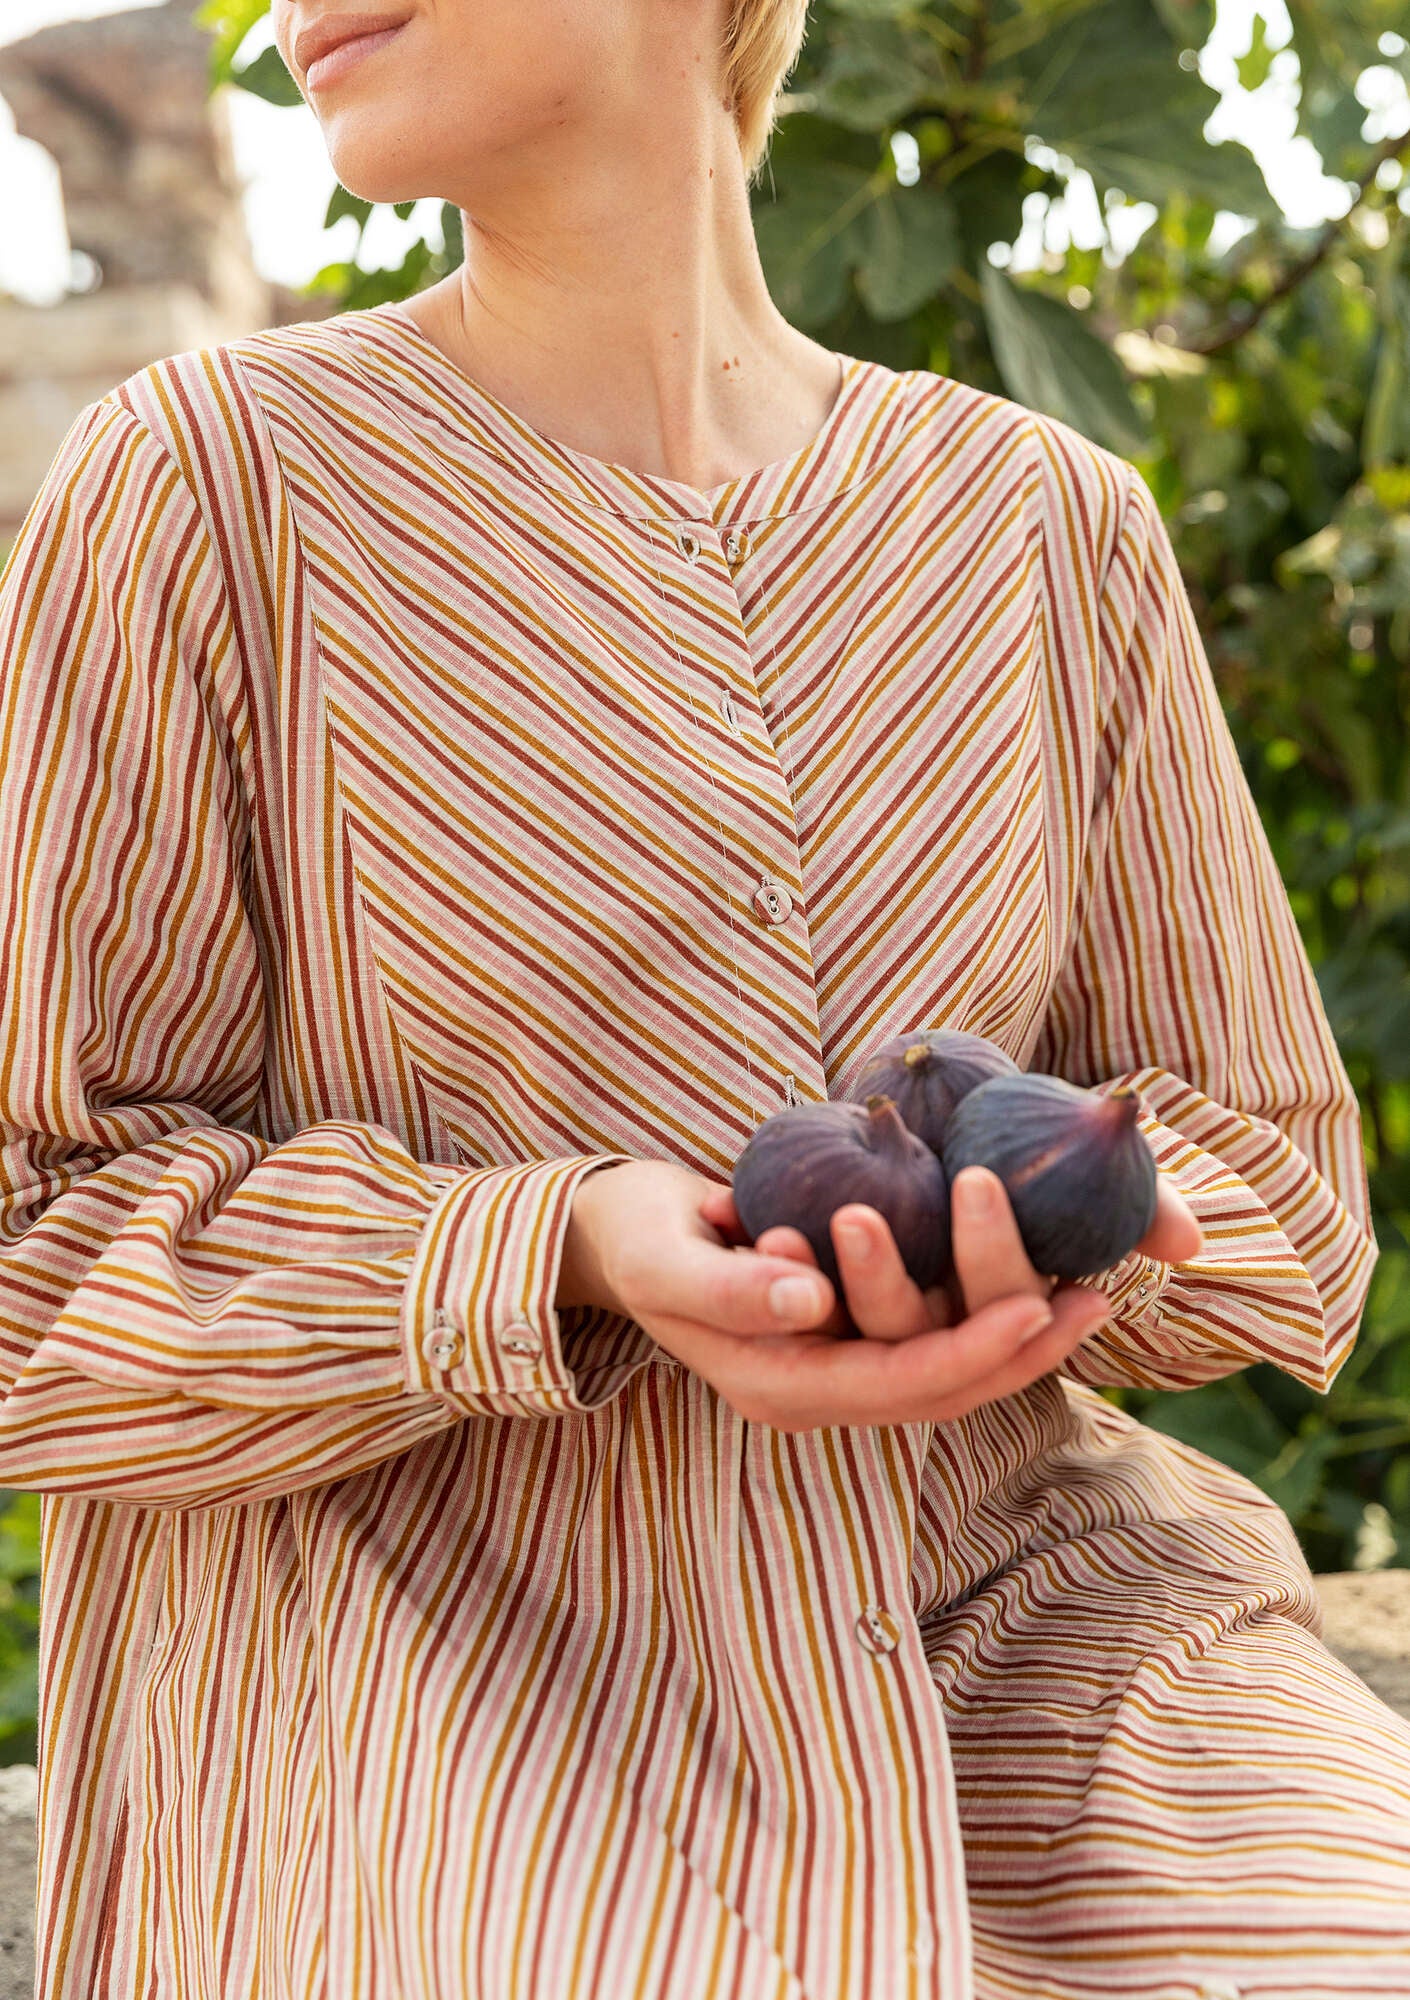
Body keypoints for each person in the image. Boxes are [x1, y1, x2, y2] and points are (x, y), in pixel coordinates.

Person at [1, 0, 1407, 1993]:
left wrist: (1046, 1237)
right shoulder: (207, 486)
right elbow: (29, 1237)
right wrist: (548, 1248)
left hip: (1048, 1656)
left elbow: (1284, 1185)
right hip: (428, 1723)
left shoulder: (1044, 525)